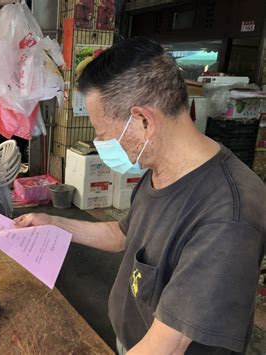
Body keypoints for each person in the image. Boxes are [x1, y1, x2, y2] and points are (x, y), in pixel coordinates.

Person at [15, 37, 265, 354]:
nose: (99, 141)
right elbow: (121, 235)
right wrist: (51, 223)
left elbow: (169, 344)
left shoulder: (229, 213)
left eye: (102, 133)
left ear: (144, 121)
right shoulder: (157, 170)